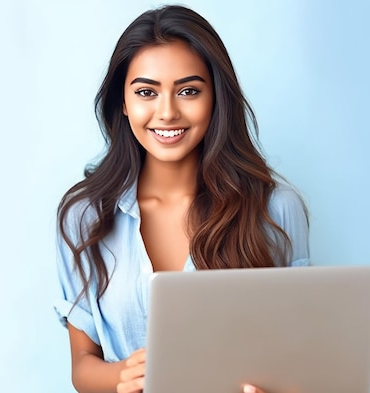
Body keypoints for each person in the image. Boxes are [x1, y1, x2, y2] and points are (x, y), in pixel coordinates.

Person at [54, 5, 310, 393]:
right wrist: (122, 376)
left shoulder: (276, 208)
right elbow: (83, 365)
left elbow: (302, 357)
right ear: (123, 102)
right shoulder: (84, 216)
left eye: (189, 91)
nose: (168, 112)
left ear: (215, 98)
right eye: (146, 92)